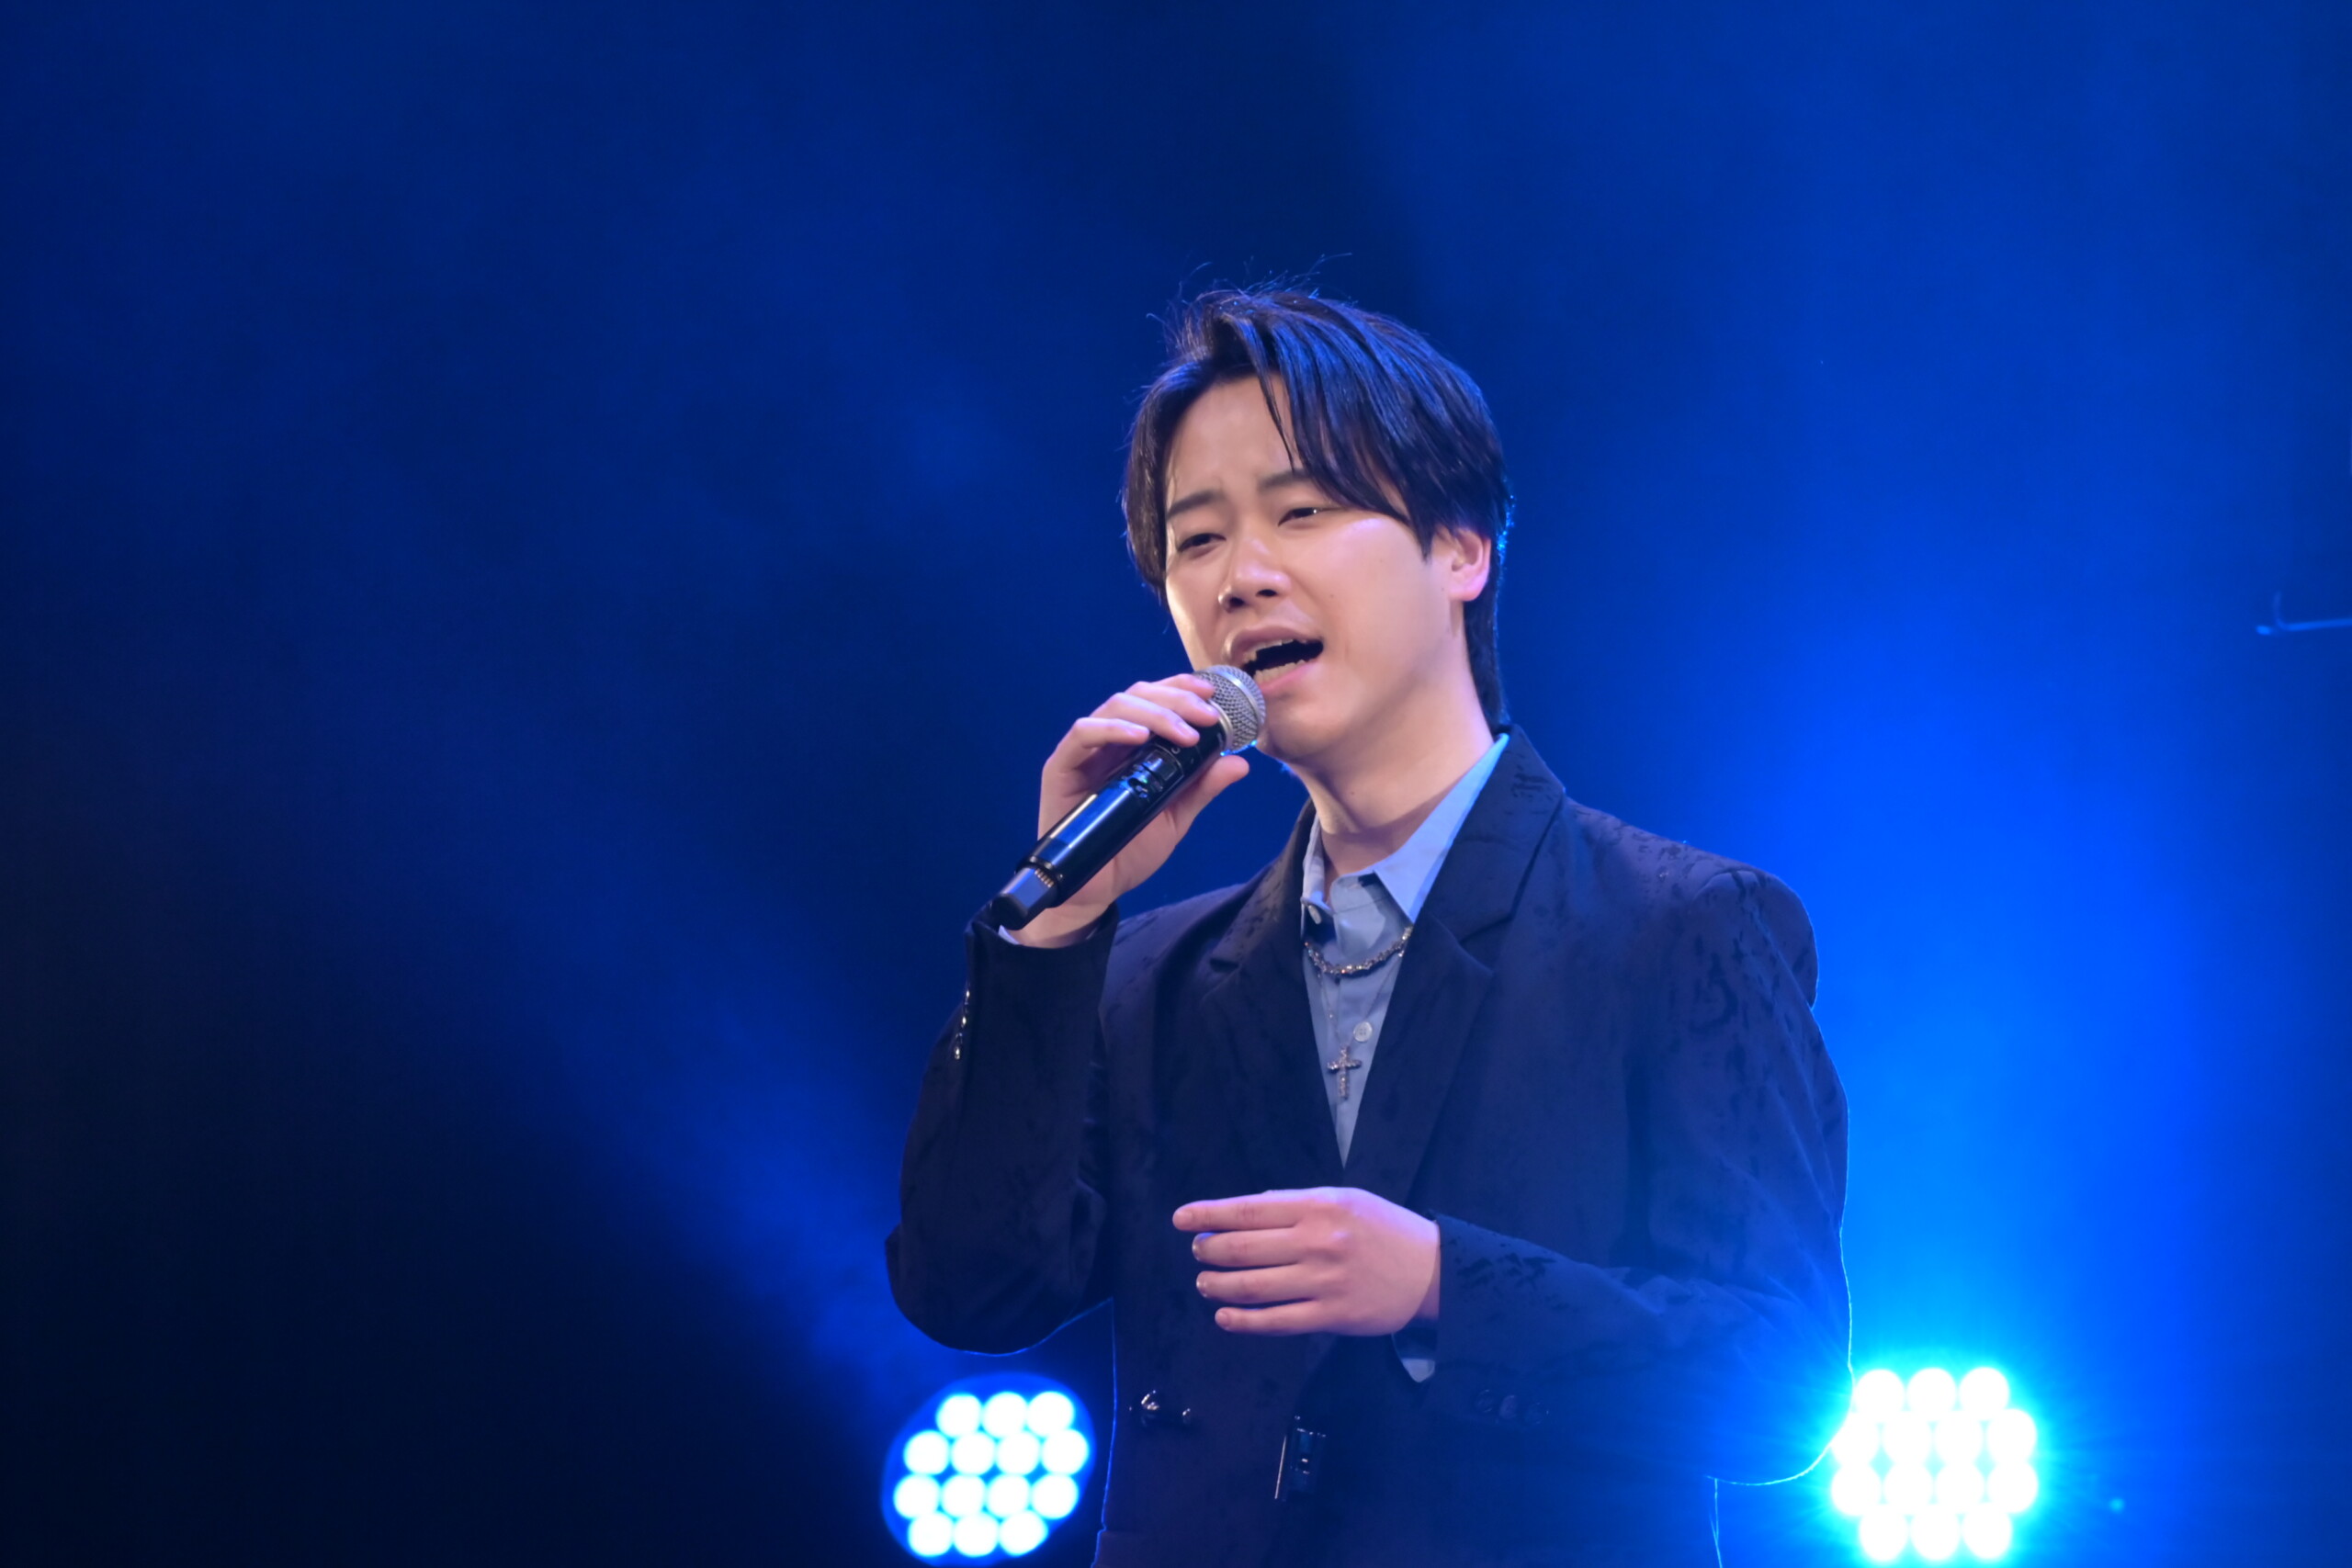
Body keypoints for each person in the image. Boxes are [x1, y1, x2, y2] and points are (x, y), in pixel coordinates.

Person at [887, 289, 1850, 1568]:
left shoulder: (1680, 926)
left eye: (1302, 512)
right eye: (1195, 539)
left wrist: (1444, 1285)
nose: (1242, 575)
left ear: (1461, 549)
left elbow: (1783, 1382)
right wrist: (1057, 931)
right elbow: (970, 1288)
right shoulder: (1146, 975)